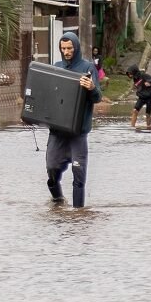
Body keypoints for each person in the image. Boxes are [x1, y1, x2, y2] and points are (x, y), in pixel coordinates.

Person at [45, 32, 102, 208]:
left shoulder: (88, 68)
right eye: (63, 48)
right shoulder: (56, 67)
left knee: (79, 172)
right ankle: (57, 201)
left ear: (76, 47)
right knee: (52, 168)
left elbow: (97, 97)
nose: (66, 52)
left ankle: (79, 213)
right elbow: (48, 96)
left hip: (78, 132)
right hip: (57, 132)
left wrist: (92, 88)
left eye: (69, 48)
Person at [126, 64, 151, 129]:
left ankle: (148, 127)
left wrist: (149, 82)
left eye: (130, 74)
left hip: (150, 97)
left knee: (148, 114)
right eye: (128, 74)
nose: (130, 75)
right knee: (135, 111)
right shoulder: (134, 79)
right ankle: (132, 127)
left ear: (134, 72)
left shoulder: (143, 75)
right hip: (141, 97)